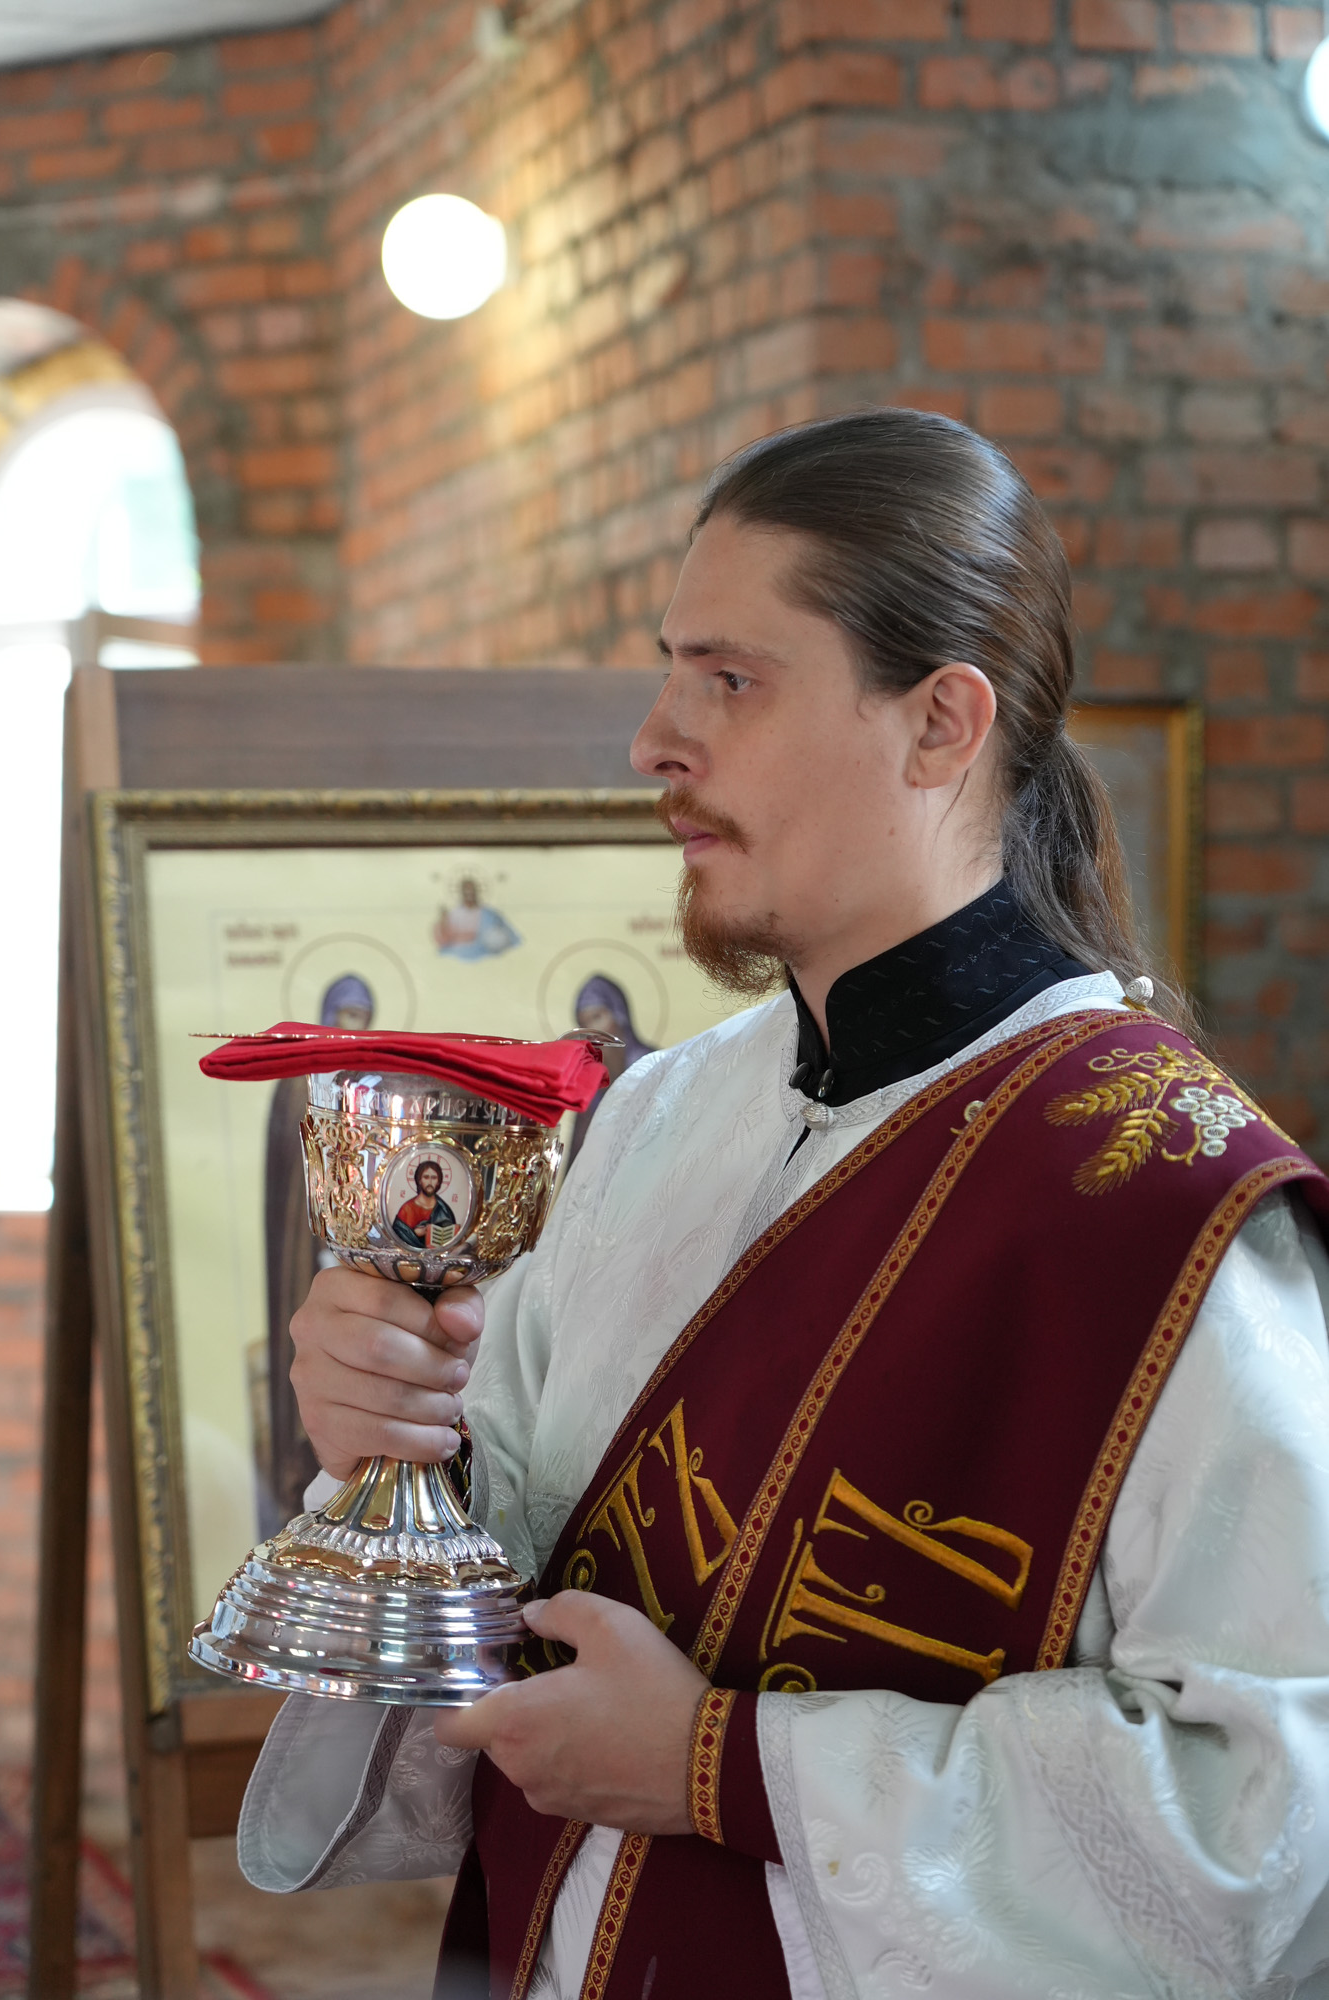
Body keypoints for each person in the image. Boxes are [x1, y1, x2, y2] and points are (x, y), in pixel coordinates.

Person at [237, 411, 1329, 2000]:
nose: (655, 742)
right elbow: (523, 1553)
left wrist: (718, 1764)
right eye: (670, 672)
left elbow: (1264, 1825)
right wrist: (400, 1452)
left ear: (940, 724)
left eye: (731, 681)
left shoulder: (1171, 1210)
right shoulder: (657, 1116)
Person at [260, 971, 373, 1535]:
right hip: (305, 1246)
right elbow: (288, 1175)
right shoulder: (296, 1082)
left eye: (361, 1019)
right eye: (345, 1016)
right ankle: (298, 1473)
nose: (351, 1028)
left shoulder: (373, 1082)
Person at [566, 974, 656, 1165]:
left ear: (619, 1014)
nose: (592, 1032)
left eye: (597, 1017)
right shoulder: (592, 1084)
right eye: (584, 1024)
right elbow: (577, 1161)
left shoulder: (654, 1065)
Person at [392, 1159, 459, 1249]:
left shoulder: (444, 1210)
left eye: (434, 1178)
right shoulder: (407, 1209)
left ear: (438, 1182)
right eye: (426, 1177)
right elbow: (398, 1234)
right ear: (419, 1180)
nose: (430, 1182)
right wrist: (414, 1234)